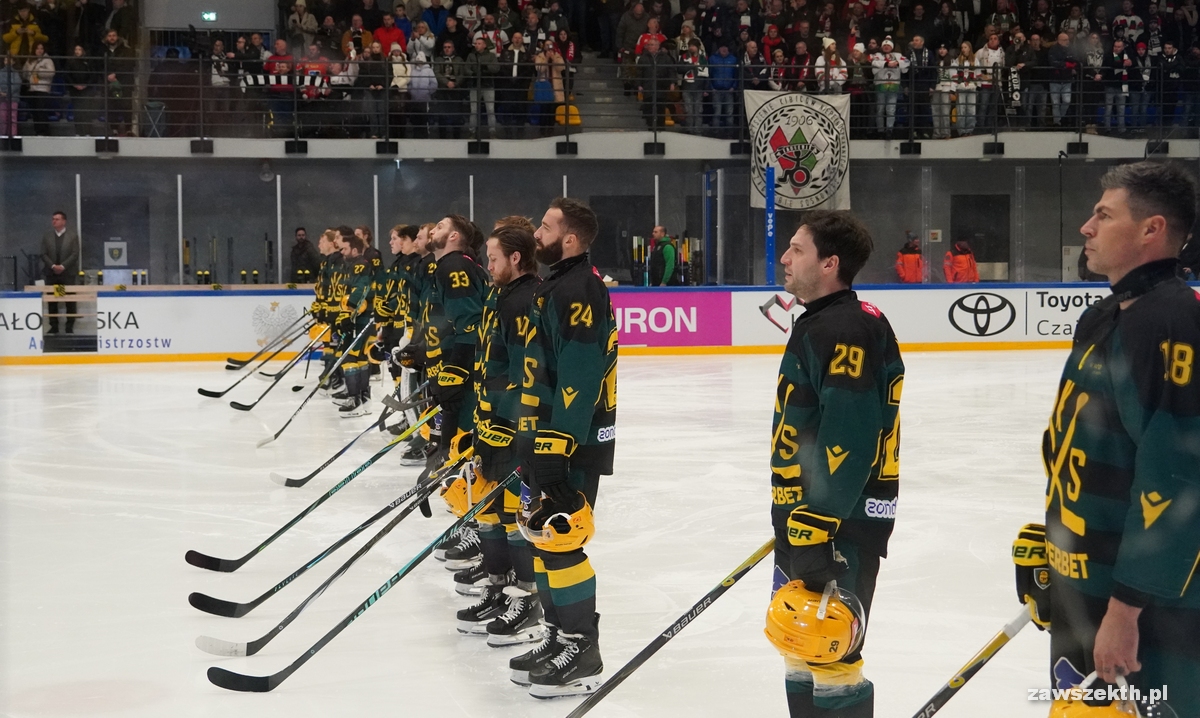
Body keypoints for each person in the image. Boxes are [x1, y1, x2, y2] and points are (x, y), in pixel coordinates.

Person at [1024, 161, 1200, 718]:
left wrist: (1126, 611)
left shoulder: (1174, 323)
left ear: (1151, 229)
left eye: (1104, 215)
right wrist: (1052, 546)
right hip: (1085, 583)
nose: (1087, 227)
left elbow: (1176, 479)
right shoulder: (1103, 317)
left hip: (1148, 611)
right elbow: (1077, 449)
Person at [766, 210, 903, 718]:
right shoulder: (824, 320)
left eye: (797, 249)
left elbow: (850, 437)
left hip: (837, 522)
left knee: (831, 649)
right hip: (808, 518)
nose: (784, 257)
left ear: (829, 263)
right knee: (799, 640)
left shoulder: (846, 328)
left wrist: (817, 521)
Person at [510, 197, 615, 699]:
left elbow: (579, 370)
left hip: (570, 441)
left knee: (561, 536)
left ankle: (581, 649)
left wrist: (556, 443)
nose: (537, 232)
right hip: (545, 435)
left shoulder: (580, 289)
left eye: (546, 226)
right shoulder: (557, 284)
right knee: (542, 535)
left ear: (569, 239)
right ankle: (557, 635)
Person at [454, 219, 544, 644]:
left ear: (515, 258)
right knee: (488, 509)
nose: (487, 266)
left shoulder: (526, 300)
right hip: (489, 421)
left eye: (493, 259)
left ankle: (526, 601)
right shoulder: (500, 294)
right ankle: (497, 588)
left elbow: (528, 373)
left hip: (511, 426)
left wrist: (506, 419)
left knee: (513, 517)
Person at [41, 211, 81, 334]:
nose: (54, 221)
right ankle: (54, 326)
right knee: (53, 301)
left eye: (57, 219)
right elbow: (43, 254)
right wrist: (53, 266)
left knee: (70, 300)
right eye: (53, 219)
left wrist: (63, 266)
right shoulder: (47, 236)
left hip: (67, 274)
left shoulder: (72, 236)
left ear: (64, 221)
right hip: (52, 274)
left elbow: (75, 254)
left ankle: (69, 327)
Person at [871, 36, 908, 138]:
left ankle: (889, 130)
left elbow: (907, 62)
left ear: (892, 47)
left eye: (888, 45)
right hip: (880, 85)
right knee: (880, 109)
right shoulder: (877, 55)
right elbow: (874, 62)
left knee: (891, 109)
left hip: (893, 86)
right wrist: (886, 64)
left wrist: (897, 63)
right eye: (885, 45)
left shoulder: (898, 55)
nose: (886, 47)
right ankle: (880, 130)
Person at [22, 43, 56, 136]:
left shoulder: (47, 60)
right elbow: (25, 74)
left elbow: (51, 73)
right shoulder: (30, 60)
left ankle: (44, 132)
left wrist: (39, 71)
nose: (39, 50)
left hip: (42, 89)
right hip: (32, 89)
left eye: (41, 48)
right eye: (37, 48)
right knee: (35, 112)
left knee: (41, 111)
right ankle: (37, 131)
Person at [1048, 31, 1076, 127]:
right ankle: (1057, 122)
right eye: (1065, 40)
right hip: (1055, 79)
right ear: (1059, 40)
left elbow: (1075, 59)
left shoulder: (1071, 49)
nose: (1067, 41)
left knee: (1067, 101)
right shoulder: (1053, 49)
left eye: (1067, 39)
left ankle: (1061, 118)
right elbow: (1052, 62)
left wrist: (1069, 64)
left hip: (1067, 79)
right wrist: (1065, 64)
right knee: (1055, 103)